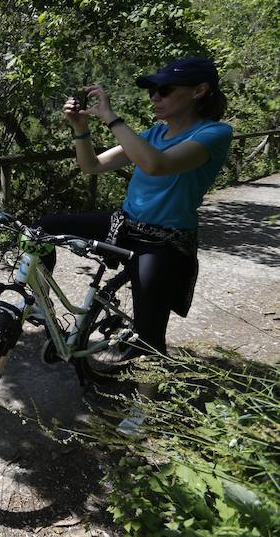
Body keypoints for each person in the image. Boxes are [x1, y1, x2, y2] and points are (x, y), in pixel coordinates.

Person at [39, 56, 233, 435]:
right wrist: (81, 129)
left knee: (149, 332)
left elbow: (156, 166)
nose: (155, 97)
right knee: (40, 228)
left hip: (164, 240)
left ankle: (147, 409)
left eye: (164, 90)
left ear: (199, 91)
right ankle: (39, 305)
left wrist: (111, 117)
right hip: (124, 223)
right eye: (152, 91)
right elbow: (92, 166)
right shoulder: (153, 133)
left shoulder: (213, 134)